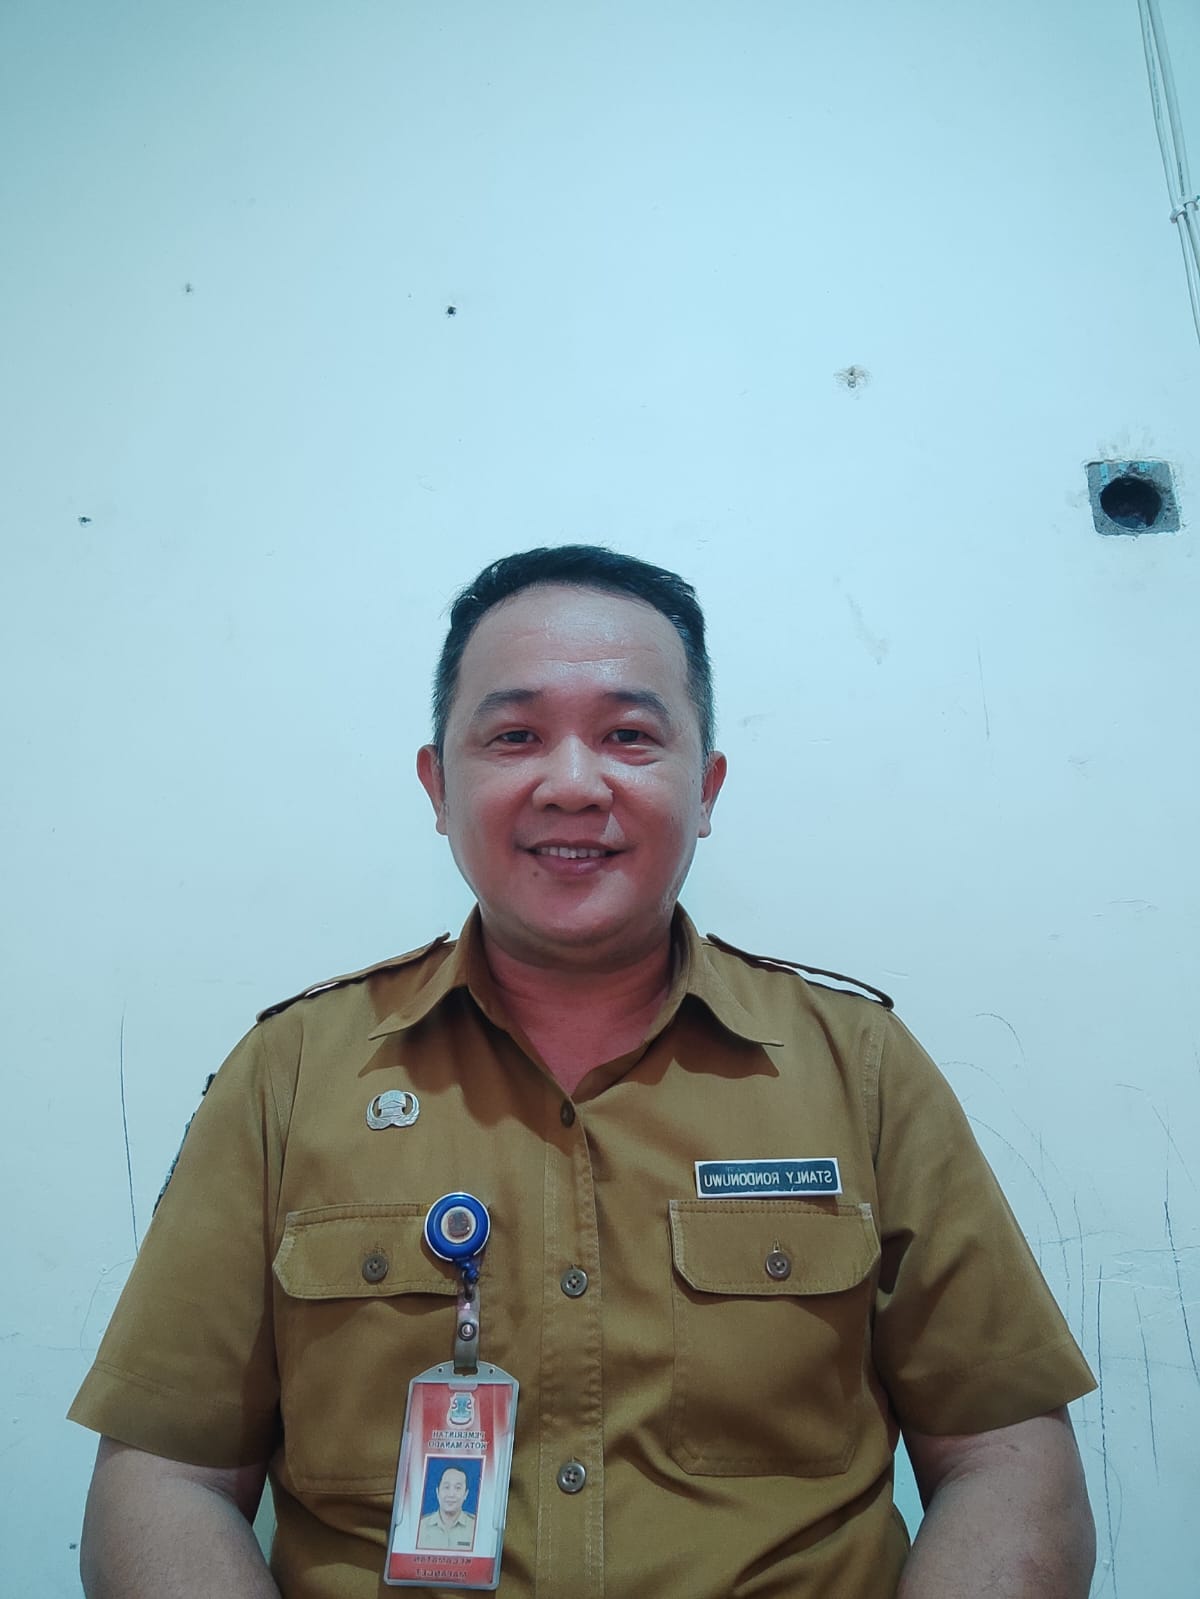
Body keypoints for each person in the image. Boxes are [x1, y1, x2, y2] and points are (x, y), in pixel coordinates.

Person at [71, 544, 1097, 1598]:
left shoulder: (861, 1069)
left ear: (706, 787)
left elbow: (1007, 1457)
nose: (571, 784)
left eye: (629, 736)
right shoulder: (288, 1077)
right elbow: (165, 1474)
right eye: (515, 736)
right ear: (438, 785)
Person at [416, 1466, 476, 1551]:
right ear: (437, 1492)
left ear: (466, 1494)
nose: (451, 1494)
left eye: (458, 1488)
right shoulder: (420, 1526)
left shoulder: (476, 1528)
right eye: (446, 1487)